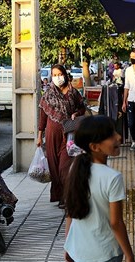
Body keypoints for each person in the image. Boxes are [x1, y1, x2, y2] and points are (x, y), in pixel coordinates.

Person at [63, 115, 135, 262]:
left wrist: (67, 245)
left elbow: (70, 212)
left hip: (80, 252)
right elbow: (116, 223)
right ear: (94, 147)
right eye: (111, 135)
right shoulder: (113, 178)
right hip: (107, 253)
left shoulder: (74, 170)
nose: (119, 137)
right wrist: (129, 256)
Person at [37, 64, 86, 208]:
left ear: (65, 74)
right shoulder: (48, 94)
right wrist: (40, 136)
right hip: (52, 133)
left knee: (65, 166)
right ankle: (59, 196)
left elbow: (82, 107)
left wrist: (76, 113)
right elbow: (43, 117)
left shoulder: (73, 93)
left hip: (69, 133)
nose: (58, 77)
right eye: (54, 75)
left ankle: (67, 197)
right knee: (54, 166)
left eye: (60, 74)